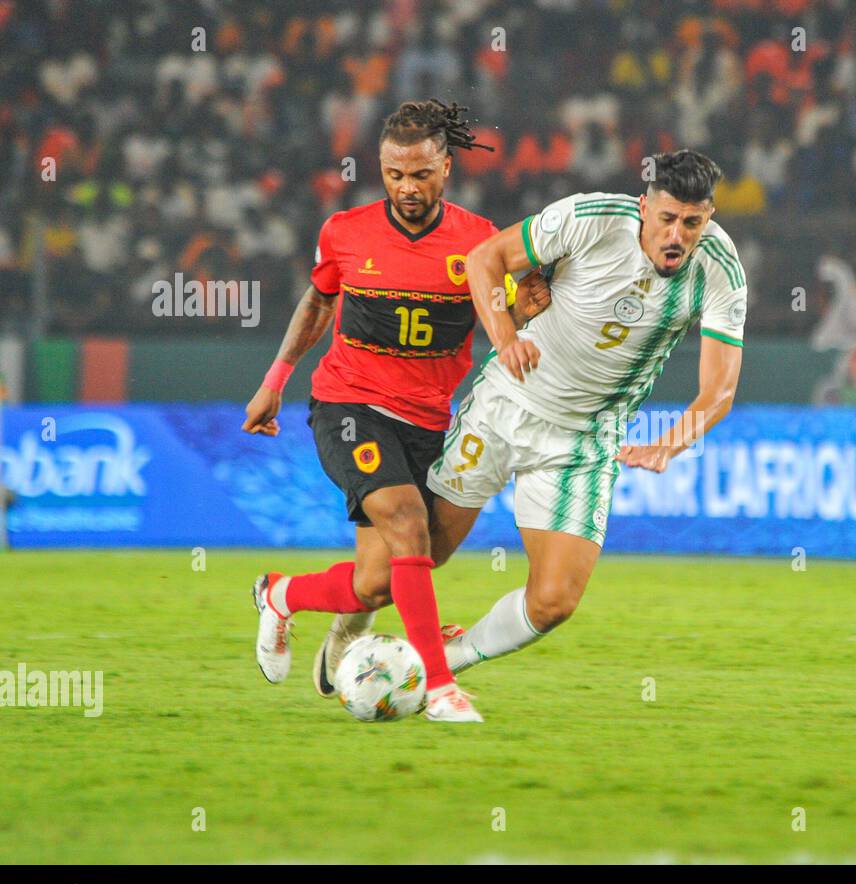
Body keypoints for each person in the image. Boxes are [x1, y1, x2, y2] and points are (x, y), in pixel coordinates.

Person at [241, 100, 549, 723]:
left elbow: (511, 314)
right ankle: (439, 688)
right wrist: (275, 380)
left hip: (429, 419)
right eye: (394, 174)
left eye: (421, 175)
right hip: (348, 403)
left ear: (447, 167)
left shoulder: (480, 242)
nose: (407, 188)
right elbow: (318, 305)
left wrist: (533, 308)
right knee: (407, 524)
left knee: (379, 582)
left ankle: (280, 594)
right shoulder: (346, 232)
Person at [421, 150, 747, 699]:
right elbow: (484, 258)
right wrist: (505, 337)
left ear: (708, 219)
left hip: (583, 438)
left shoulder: (719, 268)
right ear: (644, 207)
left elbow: (719, 391)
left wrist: (669, 445)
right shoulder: (588, 218)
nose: (677, 235)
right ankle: (341, 632)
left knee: (553, 602)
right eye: (667, 218)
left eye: (692, 222)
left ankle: (443, 663)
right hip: (506, 405)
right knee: (421, 554)